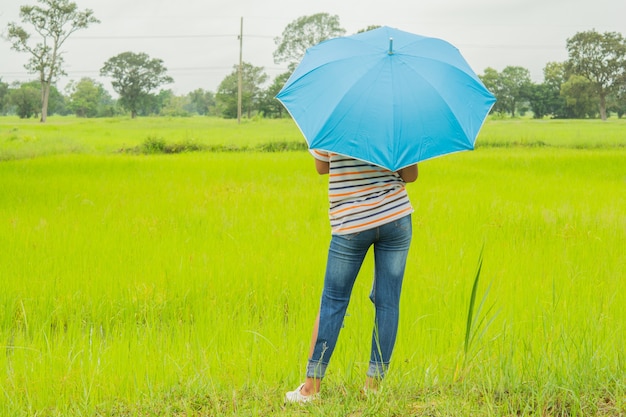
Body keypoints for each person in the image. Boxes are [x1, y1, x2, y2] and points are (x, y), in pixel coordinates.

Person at [286, 149, 418, 403]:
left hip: (352, 221)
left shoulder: (334, 116)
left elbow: (321, 167)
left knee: (333, 302)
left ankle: (311, 390)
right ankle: (373, 388)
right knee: (388, 303)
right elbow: (410, 175)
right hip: (396, 218)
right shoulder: (396, 118)